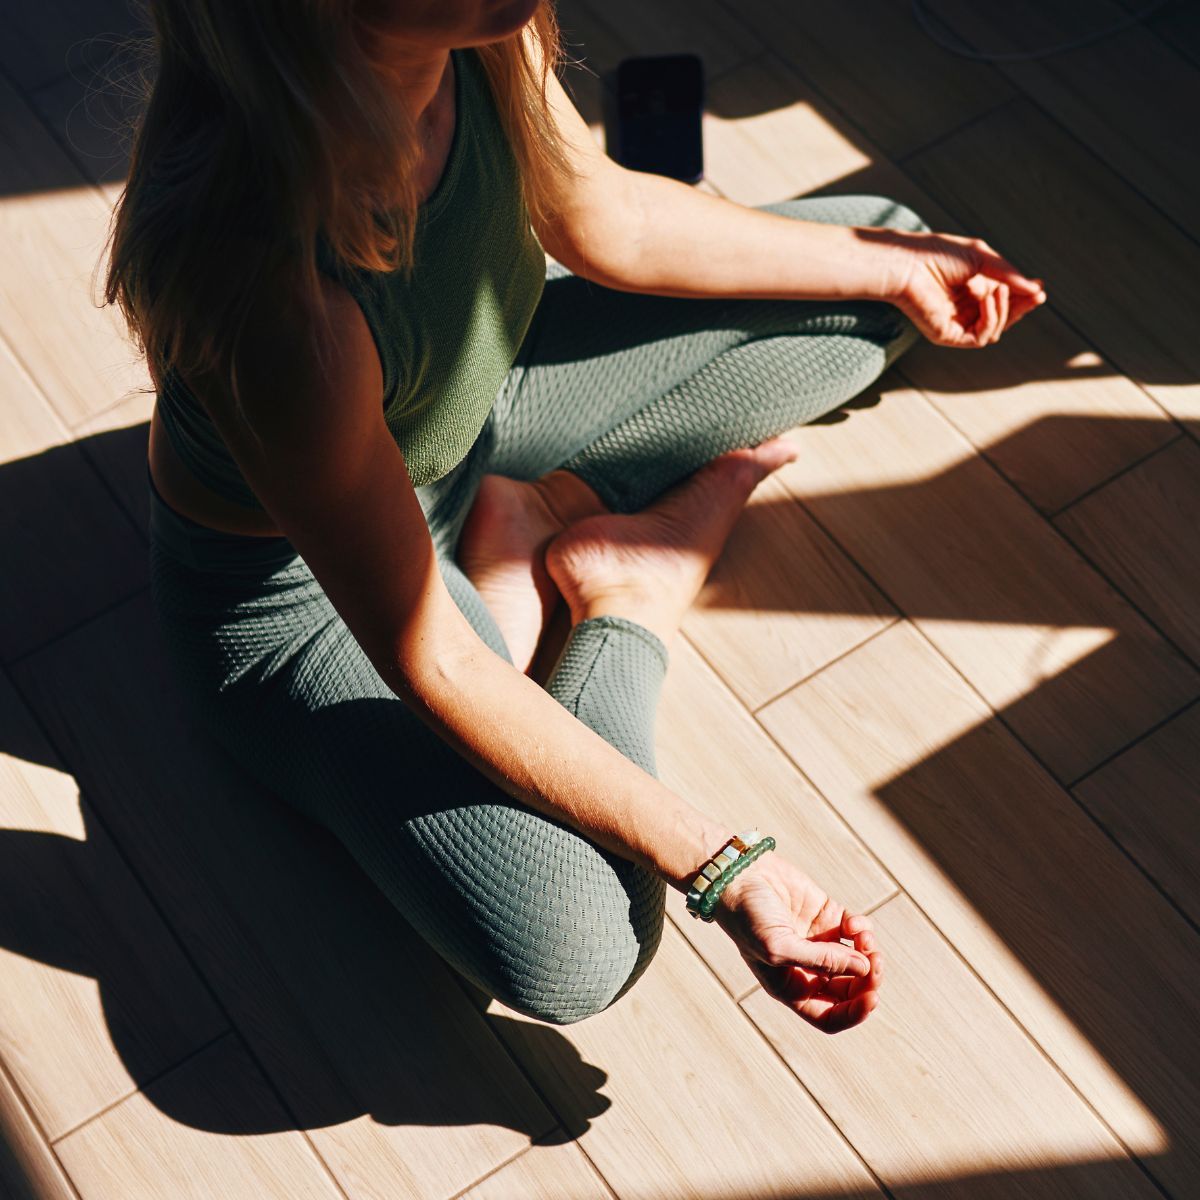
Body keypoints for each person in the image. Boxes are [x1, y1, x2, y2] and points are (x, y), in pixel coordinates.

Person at [103, 0, 1046, 1034]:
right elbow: (437, 665)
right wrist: (726, 870)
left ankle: (543, 509)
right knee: (579, 945)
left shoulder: (480, 31)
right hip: (302, 605)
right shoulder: (271, 292)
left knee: (894, 265)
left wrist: (891, 265)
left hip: (474, 405)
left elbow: (612, 223)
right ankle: (625, 599)